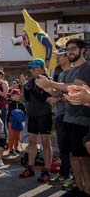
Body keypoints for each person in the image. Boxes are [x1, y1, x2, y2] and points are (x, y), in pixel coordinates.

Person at [36, 39, 90, 196]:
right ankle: (79, 187)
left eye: (73, 48)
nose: (69, 52)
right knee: (74, 157)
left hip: (83, 120)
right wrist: (45, 87)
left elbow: (73, 89)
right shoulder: (68, 72)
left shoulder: (86, 68)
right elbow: (59, 93)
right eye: (68, 49)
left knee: (84, 159)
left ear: (83, 50)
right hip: (67, 118)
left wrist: (50, 83)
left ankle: (87, 190)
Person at [19, 58, 53, 183]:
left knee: (45, 142)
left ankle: (46, 171)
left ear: (42, 68)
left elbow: (46, 97)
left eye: (35, 67)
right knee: (32, 142)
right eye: (31, 68)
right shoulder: (31, 82)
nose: (32, 70)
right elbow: (27, 99)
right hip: (32, 115)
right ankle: (30, 167)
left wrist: (31, 87)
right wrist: (25, 87)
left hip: (45, 115)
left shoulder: (47, 80)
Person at [44, 47, 73, 188]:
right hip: (61, 115)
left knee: (73, 150)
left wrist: (57, 99)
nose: (57, 58)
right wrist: (49, 89)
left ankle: (72, 178)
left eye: (59, 56)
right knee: (63, 148)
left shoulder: (73, 73)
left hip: (71, 115)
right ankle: (64, 175)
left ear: (67, 56)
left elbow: (75, 94)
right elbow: (58, 93)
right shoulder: (60, 74)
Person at [7, 89, 26, 156]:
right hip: (11, 122)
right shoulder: (10, 103)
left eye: (13, 95)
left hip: (18, 123)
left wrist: (23, 121)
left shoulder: (22, 104)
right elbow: (9, 112)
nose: (11, 96)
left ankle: (16, 148)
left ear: (18, 95)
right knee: (11, 136)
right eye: (11, 95)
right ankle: (10, 149)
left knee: (17, 137)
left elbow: (24, 113)